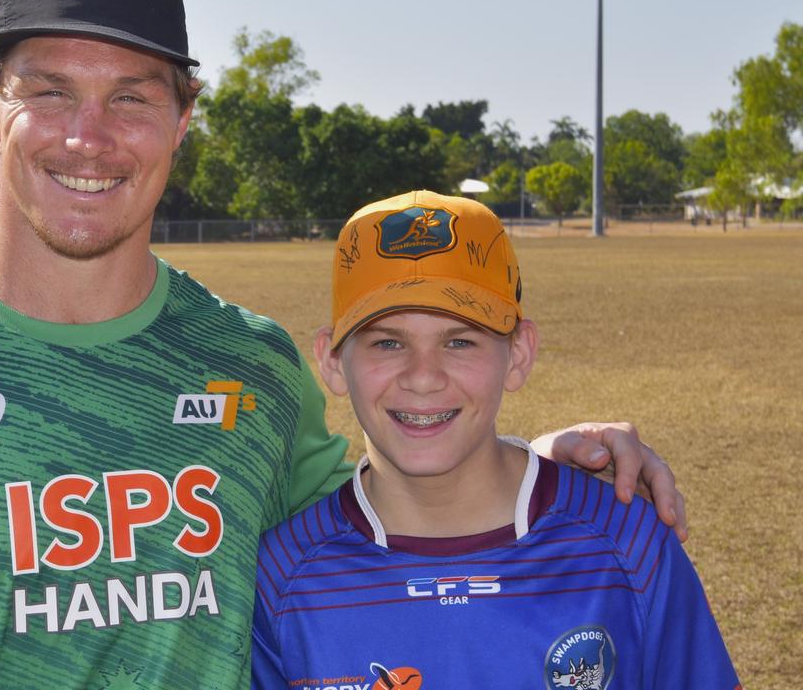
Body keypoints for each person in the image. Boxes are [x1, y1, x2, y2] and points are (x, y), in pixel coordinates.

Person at [0, 0, 686, 688]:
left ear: (180, 121)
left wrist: (524, 464)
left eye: (131, 97)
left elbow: (374, 525)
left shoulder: (252, 367)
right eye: (50, 90)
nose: (90, 137)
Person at [251, 191, 737, 689]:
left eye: (460, 341)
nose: (423, 377)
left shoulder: (627, 544)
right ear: (332, 361)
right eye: (387, 342)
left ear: (519, 353)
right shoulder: (280, 578)